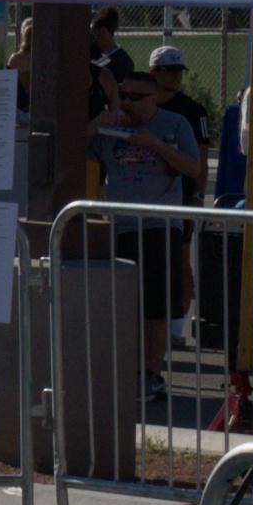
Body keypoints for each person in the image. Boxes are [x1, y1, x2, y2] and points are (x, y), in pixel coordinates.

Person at [88, 66, 206, 372]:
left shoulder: (174, 123)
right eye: (123, 95)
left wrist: (155, 145)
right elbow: (74, 151)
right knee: (123, 306)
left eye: (135, 97)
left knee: (156, 308)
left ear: (153, 99)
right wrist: (95, 124)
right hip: (120, 226)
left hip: (158, 225)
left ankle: (152, 371)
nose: (127, 102)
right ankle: (128, 371)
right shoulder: (113, 125)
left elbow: (193, 167)